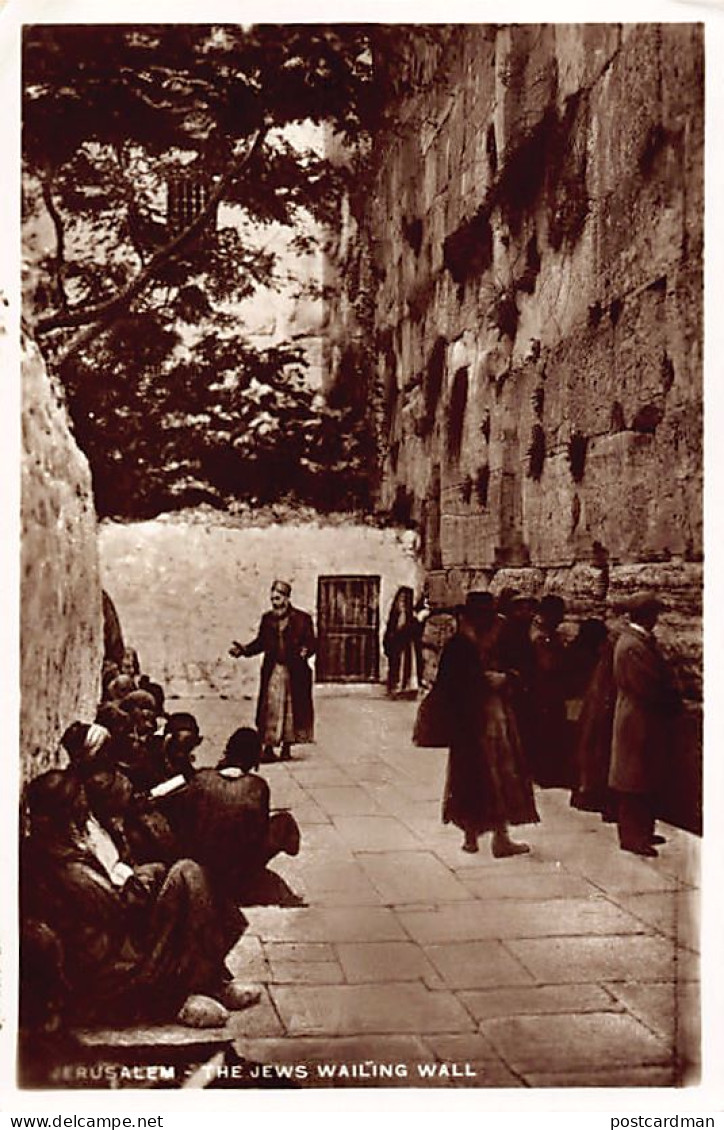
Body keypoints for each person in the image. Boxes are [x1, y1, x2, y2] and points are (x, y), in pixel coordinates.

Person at [21, 770, 257, 1029]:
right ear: (67, 819)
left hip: (116, 945)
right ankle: (178, 997)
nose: (86, 819)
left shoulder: (60, 849)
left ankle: (212, 980)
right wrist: (145, 878)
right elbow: (116, 911)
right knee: (186, 876)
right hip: (113, 971)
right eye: (81, 813)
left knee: (187, 875)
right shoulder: (66, 866)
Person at [438, 591, 539, 856]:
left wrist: (507, 678)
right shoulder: (459, 644)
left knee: (502, 775)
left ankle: (499, 836)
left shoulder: (503, 638)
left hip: (497, 716)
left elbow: (524, 667)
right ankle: (472, 835)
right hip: (471, 721)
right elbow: (448, 684)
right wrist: (482, 682)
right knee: (471, 778)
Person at [166, 727, 301, 901]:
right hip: (240, 870)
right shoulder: (257, 786)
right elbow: (258, 834)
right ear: (254, 760)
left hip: (205, 866)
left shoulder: (201, 779)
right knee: (283, 821)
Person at [609, 592, 679, 857]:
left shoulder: (637, 641)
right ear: (646, 615)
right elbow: (647, 685)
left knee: (644, 775)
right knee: (633, 779)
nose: (657, 619)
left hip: (642, 718)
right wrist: (671, 700)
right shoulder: (632, 645)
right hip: (636, 719)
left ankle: (644, 831)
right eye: (654, 614)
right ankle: (631, 836)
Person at [230, 580, 316, 763]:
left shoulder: (302, 619)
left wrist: (306, 650)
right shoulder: (267, 619)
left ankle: (286, 747)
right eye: (272, 599)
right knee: (270, 709)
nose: (274, 602)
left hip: (294, 672)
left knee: (291, 709)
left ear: (286, 598)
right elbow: (260, 643)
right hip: (274, 670)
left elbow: (312, 642)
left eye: (277, 598)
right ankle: (268, 747)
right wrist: (243, 650)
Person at [528, 594, 570, 787]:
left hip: (548, 692)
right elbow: (547, 664)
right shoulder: (540, 636)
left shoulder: (544, 632)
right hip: (543, 692)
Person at [383, 586, 418, 697]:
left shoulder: (410, 614)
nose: (402, 602)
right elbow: (390, 628)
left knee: (407, 665)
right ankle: (395, 687)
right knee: (395, 664)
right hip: (395, 642)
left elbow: (412, 629)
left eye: (404, 599)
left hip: (406, 643)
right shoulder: (395, 613)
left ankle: (405, 687)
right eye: (400, 599)